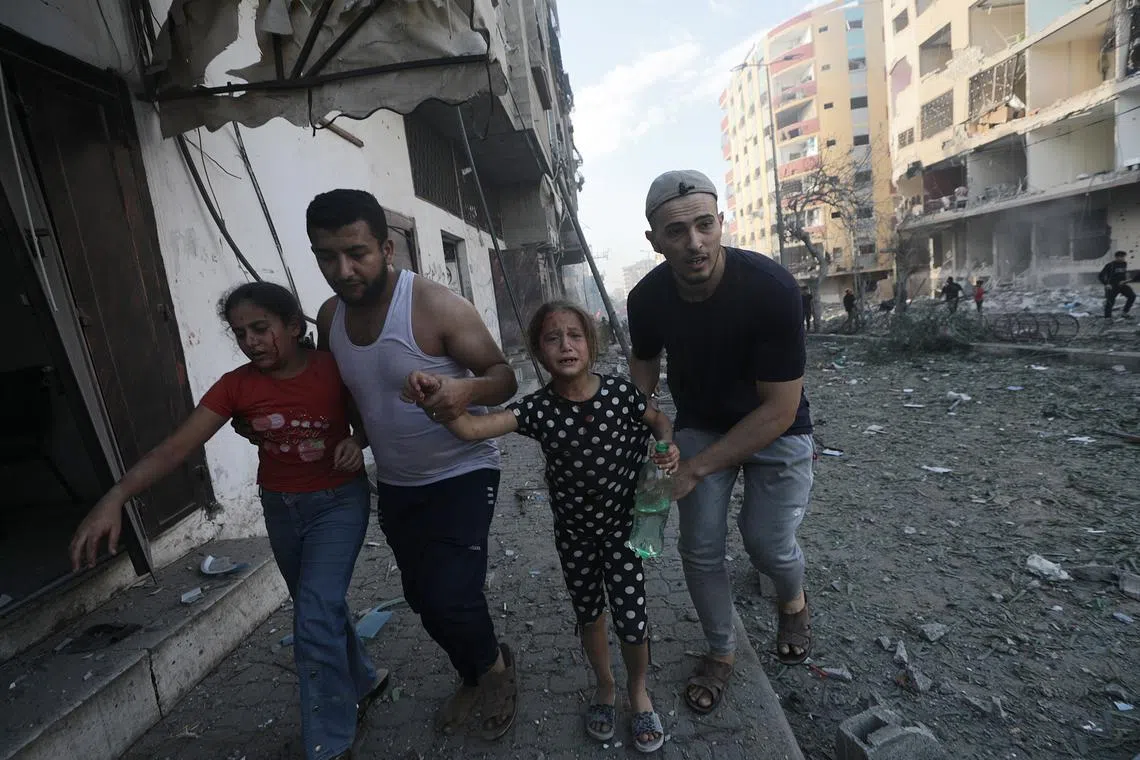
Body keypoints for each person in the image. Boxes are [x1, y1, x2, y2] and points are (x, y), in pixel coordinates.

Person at [69, 282, 385, 760]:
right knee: (315, 605)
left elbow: (372, 414)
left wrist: (356, 440)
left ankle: (330, 743)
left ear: (293, 327)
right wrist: (115, 496)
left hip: (338, 503)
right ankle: (364, 678)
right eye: (240, 333)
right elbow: (176, 447)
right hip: (281, 507)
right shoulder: (236, 386)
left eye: (261, 328)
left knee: (314, 613)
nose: (251, 341)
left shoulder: (333, 369)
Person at [406, 301, 679, 753]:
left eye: (575, 335)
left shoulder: (622, 395)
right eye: (553, 338)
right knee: (589, 615)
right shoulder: (537, 409)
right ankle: (605, 689)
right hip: (574, 539)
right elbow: (474, 430)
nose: (565, 345)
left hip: (624, 535)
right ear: (538, 351)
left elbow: (660, 420)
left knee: (632, 621)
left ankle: (638, 692)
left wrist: (667, 445)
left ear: (590, 344)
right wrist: (439, 398)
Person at [627, 170, 815, 715]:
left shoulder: (773, 290)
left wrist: (696, 468)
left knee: (767, 542)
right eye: (677, 231)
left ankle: (794, 602)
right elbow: (644, 357)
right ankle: (721, 651)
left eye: (705, 225)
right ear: (654, 241)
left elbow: (779, 408)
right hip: (701, 422)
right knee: (700, 546)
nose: (694, 243)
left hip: (775, 427)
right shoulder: (648, 298)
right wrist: (641, 411)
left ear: (721, 222)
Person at [1099, 250, 1136, 320]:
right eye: (1121, 257)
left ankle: (1124, 313)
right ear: (1116, 257)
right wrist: (1106, 284)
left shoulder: (1124, 263)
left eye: (1124, 257)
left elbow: (1122, 274)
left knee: (1132, 296)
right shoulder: (1110, 265)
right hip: (1112, 286)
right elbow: (1100, 275)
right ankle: (1107, 318)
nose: (1123, 258)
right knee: (1110, 302)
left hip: (1122, 285)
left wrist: (1125, 281)